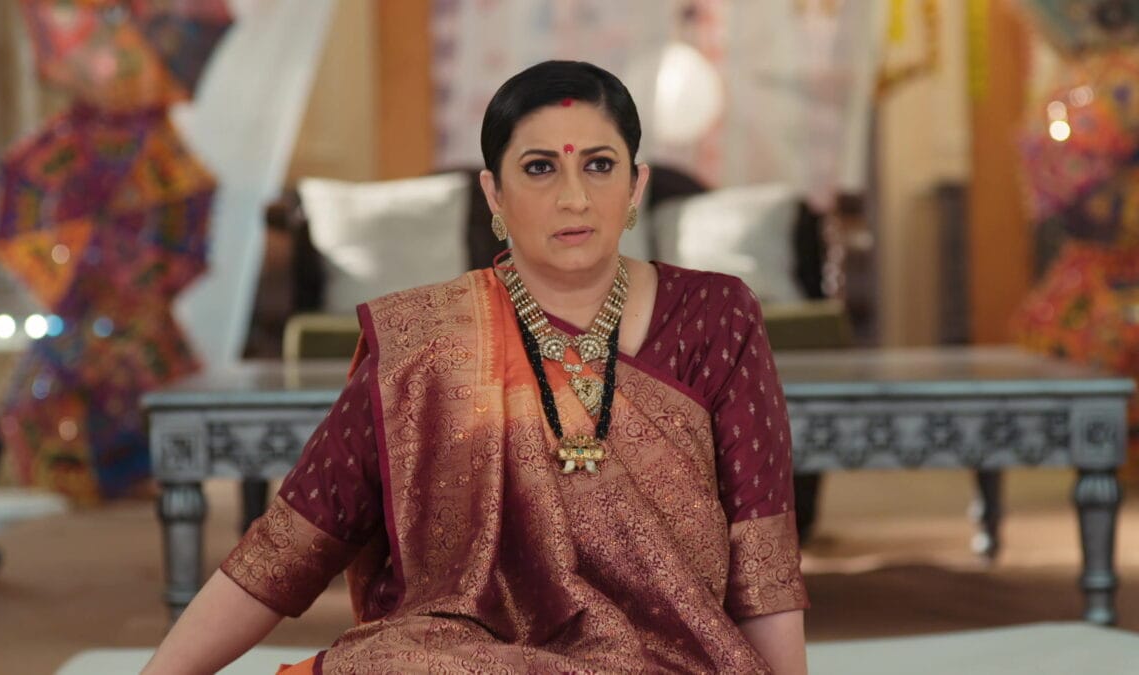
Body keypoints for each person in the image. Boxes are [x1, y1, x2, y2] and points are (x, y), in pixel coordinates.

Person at [143, 60, 808, 675]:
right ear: (494, 193)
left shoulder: (716, 315)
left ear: (636, 184)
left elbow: (763, 549)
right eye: (540, 168)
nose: (574, 197)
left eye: (599, 165)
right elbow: (290, 543)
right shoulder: (426, 342)